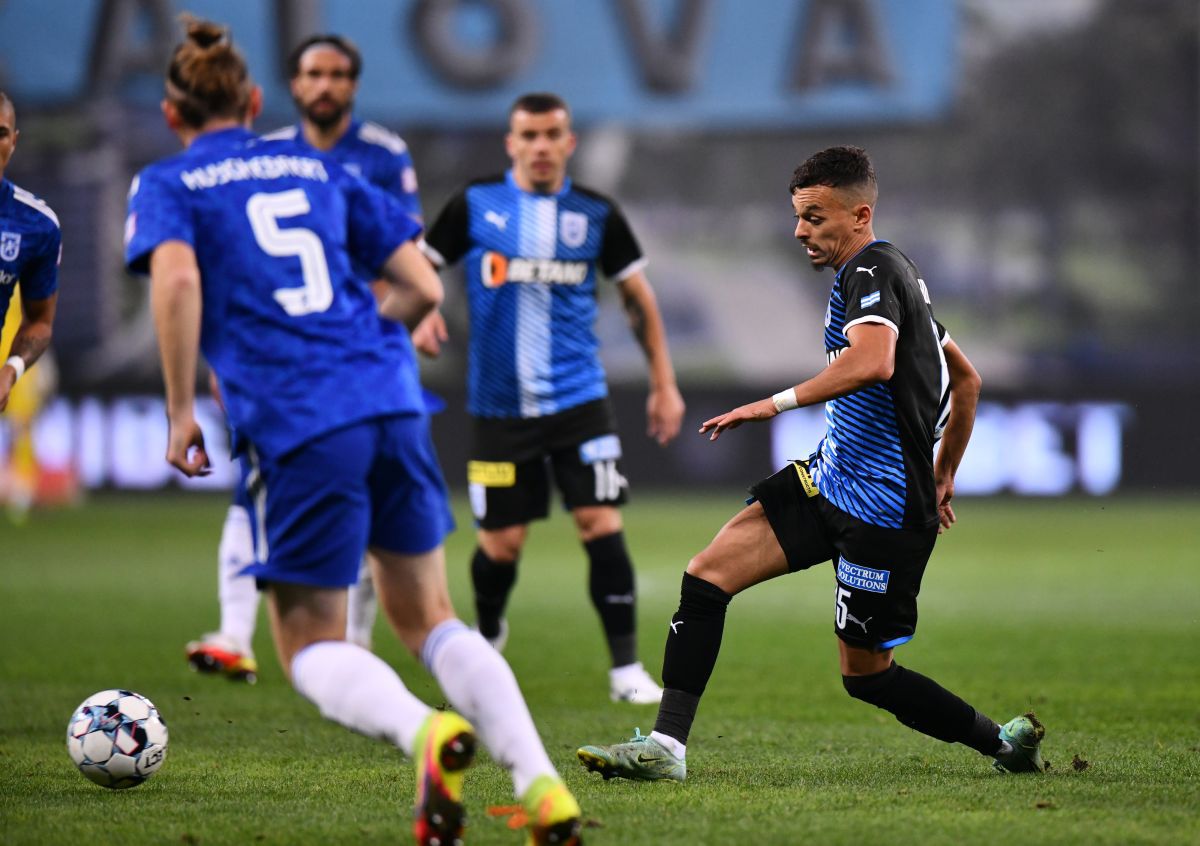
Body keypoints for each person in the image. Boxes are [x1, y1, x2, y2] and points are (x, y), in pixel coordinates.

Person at [125, 19, 582, 845]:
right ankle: (541, 785)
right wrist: (355, 338)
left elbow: (179, 281)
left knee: (308, 645)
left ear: (171, 113)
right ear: (255, 101)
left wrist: (181, 406)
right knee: (432, 618)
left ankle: (425, 734)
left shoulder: (168, 182)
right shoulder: (321, 168)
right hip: (391, 400)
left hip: (300, 420)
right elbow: (421, 286)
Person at [576, 145, 1046, 782]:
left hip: (883, 513)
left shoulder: (871, 272)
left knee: (867, 677)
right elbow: (966, 379)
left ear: (860, 215)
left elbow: (875, 361)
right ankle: (666, 748)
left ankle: (1004, 747)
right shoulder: (894, 274)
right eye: (798, 216)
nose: (800, 230)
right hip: (829, 481)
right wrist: (943, 473)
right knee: (707, 575)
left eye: (815, 217)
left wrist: (772, 404)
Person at [416, 92, 685, 705]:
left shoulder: (595, 213)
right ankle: (487, 639)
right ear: (511, 143)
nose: (541, 146)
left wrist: (664, 384)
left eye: (552, 134)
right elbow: (420, 266)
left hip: (579, 401)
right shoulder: (475, 204)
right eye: (529, 135)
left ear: (570, 142)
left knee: (601, 523)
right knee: (501, 544)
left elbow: (638, 299)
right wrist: (424, 310)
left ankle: (625, 669)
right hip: (498, 408)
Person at [185, 32, 426, 680]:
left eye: (338, 74)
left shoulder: (382, 154)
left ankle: (353, 640)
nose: (325, 85)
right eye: (314, 74)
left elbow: (405, 252)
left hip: (360, 351)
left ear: (354, 84)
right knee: (254, 481)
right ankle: (234, 633)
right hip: (279, 359)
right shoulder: (264, 156)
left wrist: (389, 325)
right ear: (292, 85)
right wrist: (224, 357)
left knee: (368, 496)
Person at [0, 91, 60, 419]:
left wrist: (12, 369)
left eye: (1, 133)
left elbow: (39, 321)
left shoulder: (36, 224)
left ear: (14, 141)